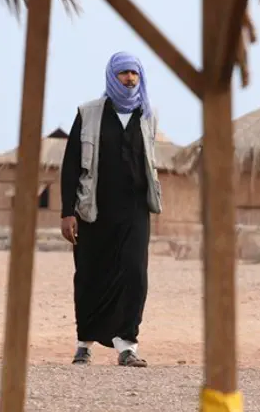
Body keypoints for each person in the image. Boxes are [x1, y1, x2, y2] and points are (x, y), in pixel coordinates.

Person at [59, 51, 162, 368]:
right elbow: (71, 164)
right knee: (90, 274)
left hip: (134, 209)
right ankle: (84, 342)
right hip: (94, 208)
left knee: (135, 274)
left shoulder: (147, 115)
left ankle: (127, 345)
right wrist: (67, 211)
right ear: (111, 77)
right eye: (123, 74)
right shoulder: (88, 113)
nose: (130, 79)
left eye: (134, 74)